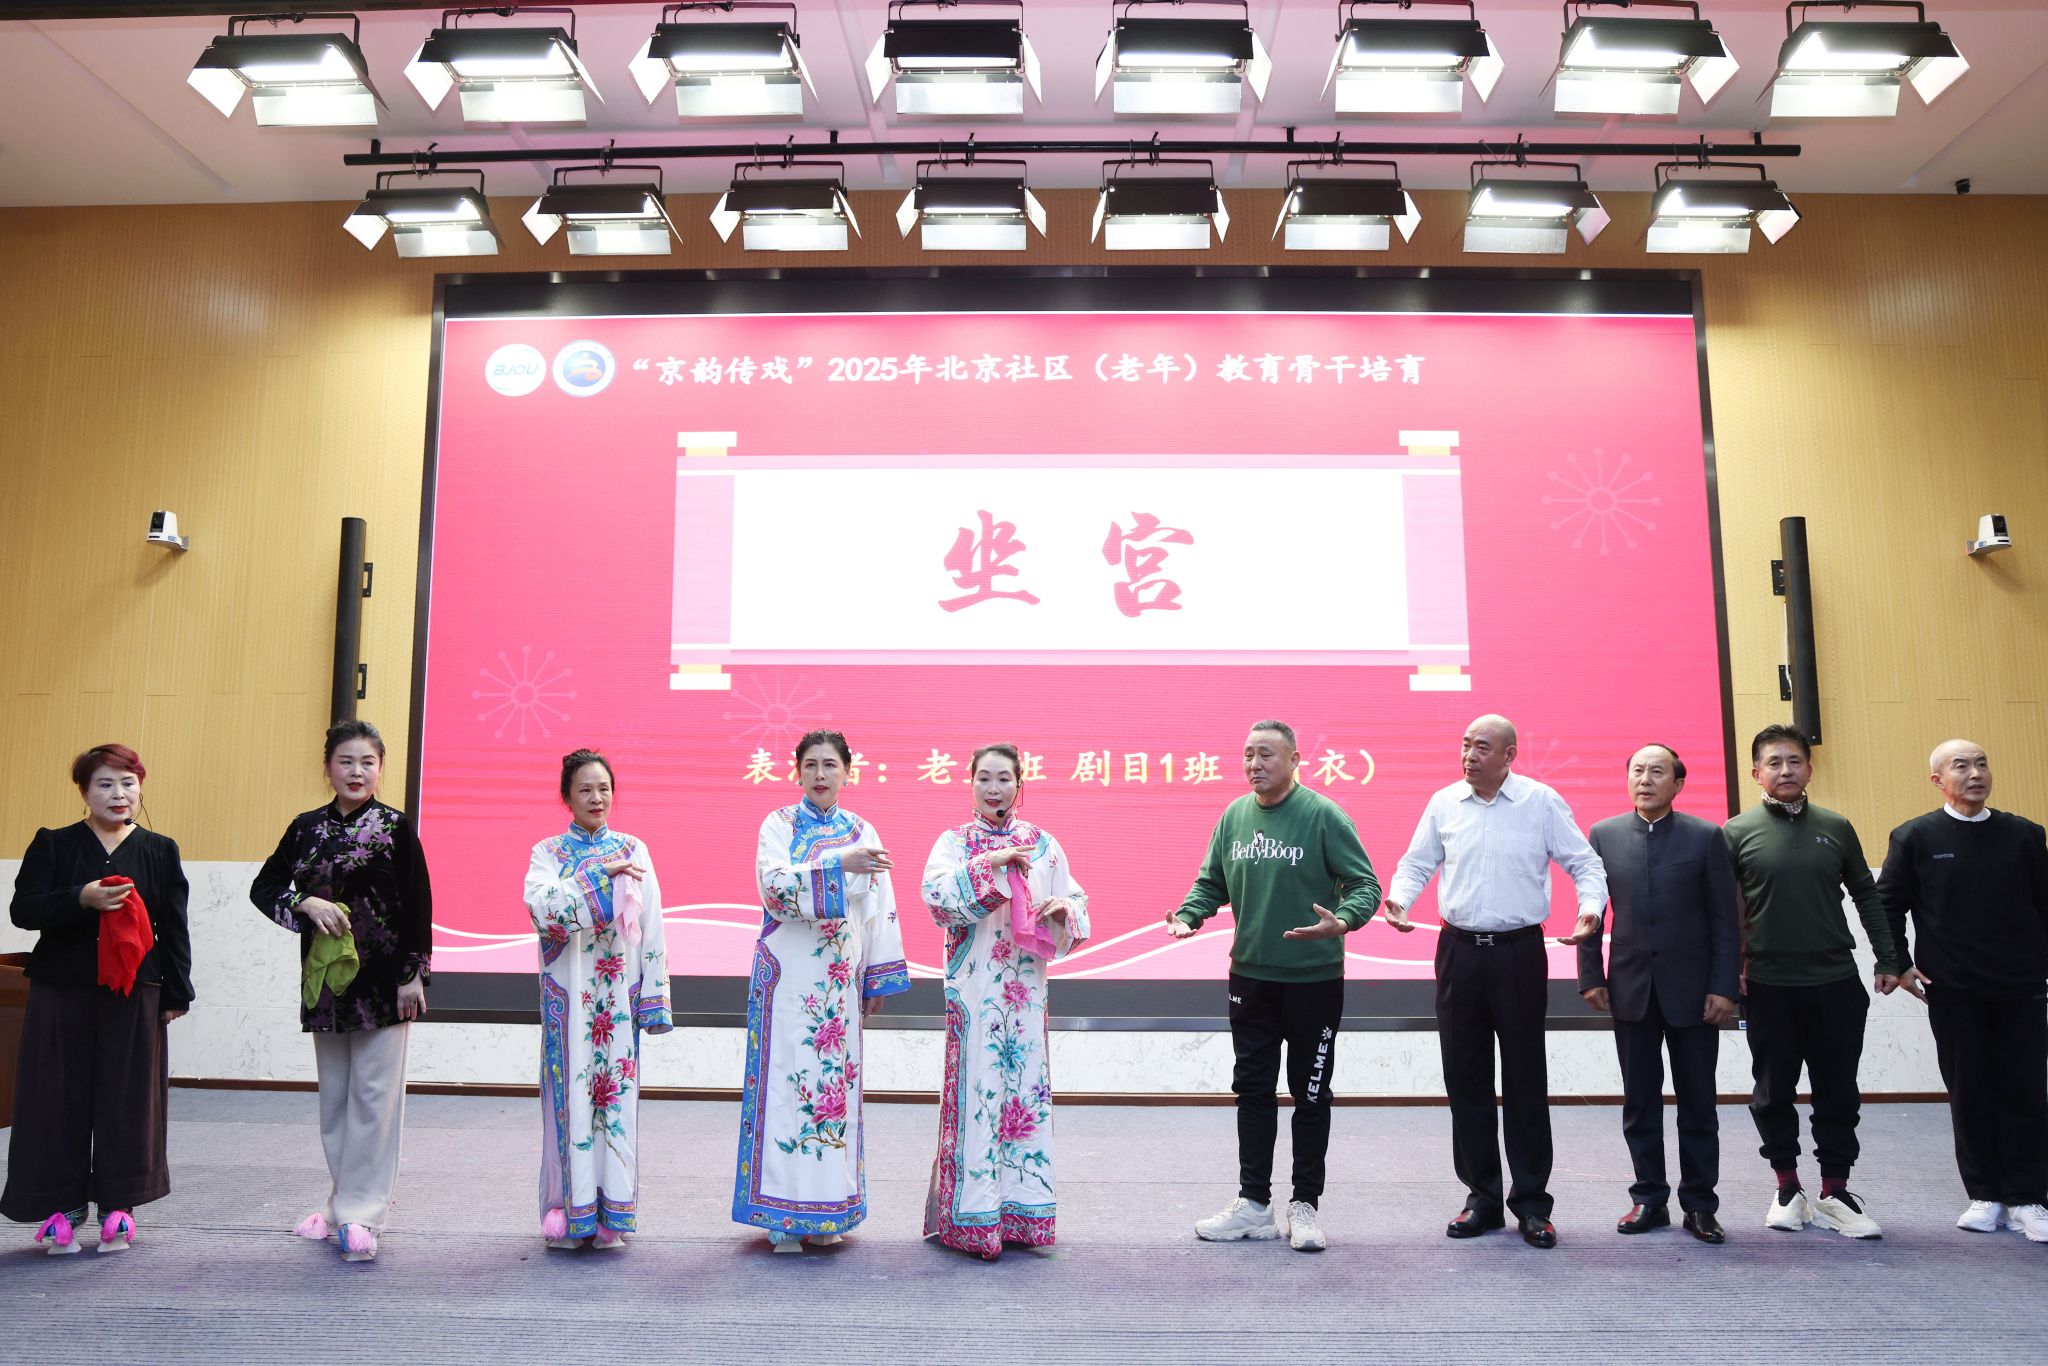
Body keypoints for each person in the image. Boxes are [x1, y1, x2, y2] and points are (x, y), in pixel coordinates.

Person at [1384, 714, 1608, 1250]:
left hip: (1518, 954)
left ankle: (1531, 1203)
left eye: (1482, 747)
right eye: (1465, 745)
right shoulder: (1444, 802)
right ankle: (1481, 1198)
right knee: (1465, 1077)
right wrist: (1399, 899)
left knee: (1526, 1078)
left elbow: (1585, 864)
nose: (1469, 755)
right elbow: (1416, 864)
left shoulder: (1540, 802)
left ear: (1509, 755)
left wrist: (1590, 909)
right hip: (1458, 953)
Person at [1167, 720, 1381, 1253]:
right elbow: (1211, 882)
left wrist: (1343, 920)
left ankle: (1305, 1205)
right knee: (1253, 1090)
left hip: (1314, 982)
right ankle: (1254, 1205)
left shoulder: (1324, 815)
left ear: (1294, 760)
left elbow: (1365, 884)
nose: (1254, 764)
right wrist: (1190, 915)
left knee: (1311, 1094)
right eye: (1248, 754)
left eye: (1266, 754)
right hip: (1251, 978)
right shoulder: (1234, 816)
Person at [251, 720, 432, 1264]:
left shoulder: (395, 827)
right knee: (336, 1100)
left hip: (384, 986)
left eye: (368, 763)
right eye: (346, 761)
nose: (357, 772)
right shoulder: (305, 828)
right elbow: (264, 887)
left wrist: (414, 974)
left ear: (381, 769)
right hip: (325, 985)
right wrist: (303, 902)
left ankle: (363, 1214)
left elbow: (419, 905)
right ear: (328, 766)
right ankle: (339, 1205)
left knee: (375, 1102)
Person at [2, 744, 192, 1255]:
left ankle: (118, 1205)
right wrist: (79, 898)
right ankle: (60, 1205)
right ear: (85, 791)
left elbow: (174, 927)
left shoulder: (160, 849)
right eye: (105, 784)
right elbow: (23, 909)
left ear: (140, 787)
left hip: (135, 991)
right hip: (60, 989)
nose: (118, 794)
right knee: (53, 1095)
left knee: (127, 1097)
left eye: (128, 783)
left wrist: (177, 991)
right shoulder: (54, 843)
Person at [736, 729, 910, 1251]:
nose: (819, 774)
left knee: (833, 1091)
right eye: (810, 764)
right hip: (789, 980)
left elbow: (878, 907)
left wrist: (875, 974)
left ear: (847, 773)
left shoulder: (863, 830)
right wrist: (838, 865)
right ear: (797, 771)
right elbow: (774, 889)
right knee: (786, 1086)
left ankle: (828, 1209)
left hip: (838, 983)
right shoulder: (778, 825)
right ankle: (781, 1212)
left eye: (830, 765)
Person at [1723, 722, 1899, 1239]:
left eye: (1794, 761)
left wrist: (1888, 957)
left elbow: (1866, 894)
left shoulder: (1836, 826)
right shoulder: (1735, 832)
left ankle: (1835, 1191)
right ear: (1756, 773)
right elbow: (1722, 912)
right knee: (1772, 1092)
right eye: (1773, 762)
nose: (1785, 770)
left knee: (1837, 1091)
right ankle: (1787, 1188)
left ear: (1809, 768)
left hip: (1835, 982)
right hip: (1768, 984)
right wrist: (1728, 972)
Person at [920, 742, 1090, 1260]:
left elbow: (1076, 903)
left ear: (1020, 784)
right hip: (975, 989)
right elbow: (938, 900)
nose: (994, 789)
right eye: (984, 778)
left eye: (1004, 779)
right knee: (979, 1092)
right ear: (970, 781)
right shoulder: (953, 844)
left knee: (1024, 1093)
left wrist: (1062, 912)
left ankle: (1023, 1215)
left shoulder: (1044, 845)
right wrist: (991, 864)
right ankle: (972, 1221)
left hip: (1025, 990)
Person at [1876, 739, 2048, 1243]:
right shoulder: (1915, 837)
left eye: (1981, 764)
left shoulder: (2025, 835)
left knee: (2025, 1090)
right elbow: (1888, 904)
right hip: (1951, 988)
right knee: (1969, 1089)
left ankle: (2028, 1197)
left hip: (2020, 985)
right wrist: (1899, 965)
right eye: (1961, 766)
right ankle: (1985, 1194)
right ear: (1938, 780)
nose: (1975, 774)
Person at [1579, 744, 1739, 1244]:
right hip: (1630, 988)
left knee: (1698, 1102)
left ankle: (1700, 1205)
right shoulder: (1604, 835)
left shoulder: (1705, 836)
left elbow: (1725, 919)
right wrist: (1590, 974)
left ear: (1678, 784)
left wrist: (1723, 987)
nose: (1645, 779)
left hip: (1694, 992)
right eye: (1637, 770)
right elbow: (1592, 909)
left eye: (1657, 772)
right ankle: (1648, 1198)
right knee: (1640, 1102)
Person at [524, 748, 673, 1251]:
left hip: (618, 1001)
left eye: (604, 788)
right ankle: (568, 1214)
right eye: (585, 789)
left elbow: (652, 925)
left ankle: (612, 1216)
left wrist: (653, 998)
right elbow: (543, 910)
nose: (596, 798)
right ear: (566, 796)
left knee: (615, 1104)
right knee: (568, 1102)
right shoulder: (548, 853)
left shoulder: (634, 849)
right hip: (569, 1001)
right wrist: (599, 878)